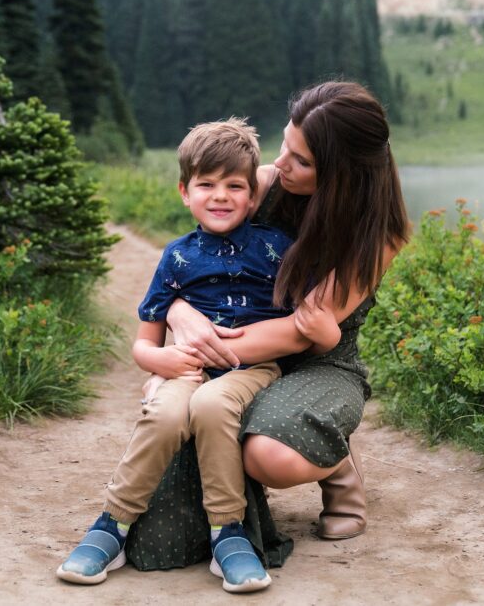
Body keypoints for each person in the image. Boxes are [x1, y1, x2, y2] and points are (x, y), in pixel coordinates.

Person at [56, 118, 339, 592]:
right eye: (206, 184)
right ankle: (112, 526)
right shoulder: (175, 257)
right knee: (166, 413)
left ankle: (228, 533)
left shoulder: (279, 250)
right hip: (184, 367)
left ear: (254, 194)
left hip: (251, 369)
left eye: (234, 185)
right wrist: (157, 362)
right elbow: (144, 342)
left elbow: (306, 324)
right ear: (185, 192)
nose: (221, 196)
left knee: (211, 406)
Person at [143, 81, 408, 560]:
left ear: (340, 176)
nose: (280, 163)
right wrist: (180, 313)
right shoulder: (266, 182)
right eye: (286, 143)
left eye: (301, 160)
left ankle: (336, 461)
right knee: (180, 405)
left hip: (318, 361)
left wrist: (202, 351)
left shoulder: (377, 236)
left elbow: (301, 331)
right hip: (245, 349)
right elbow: (192, 262)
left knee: (266, 454)